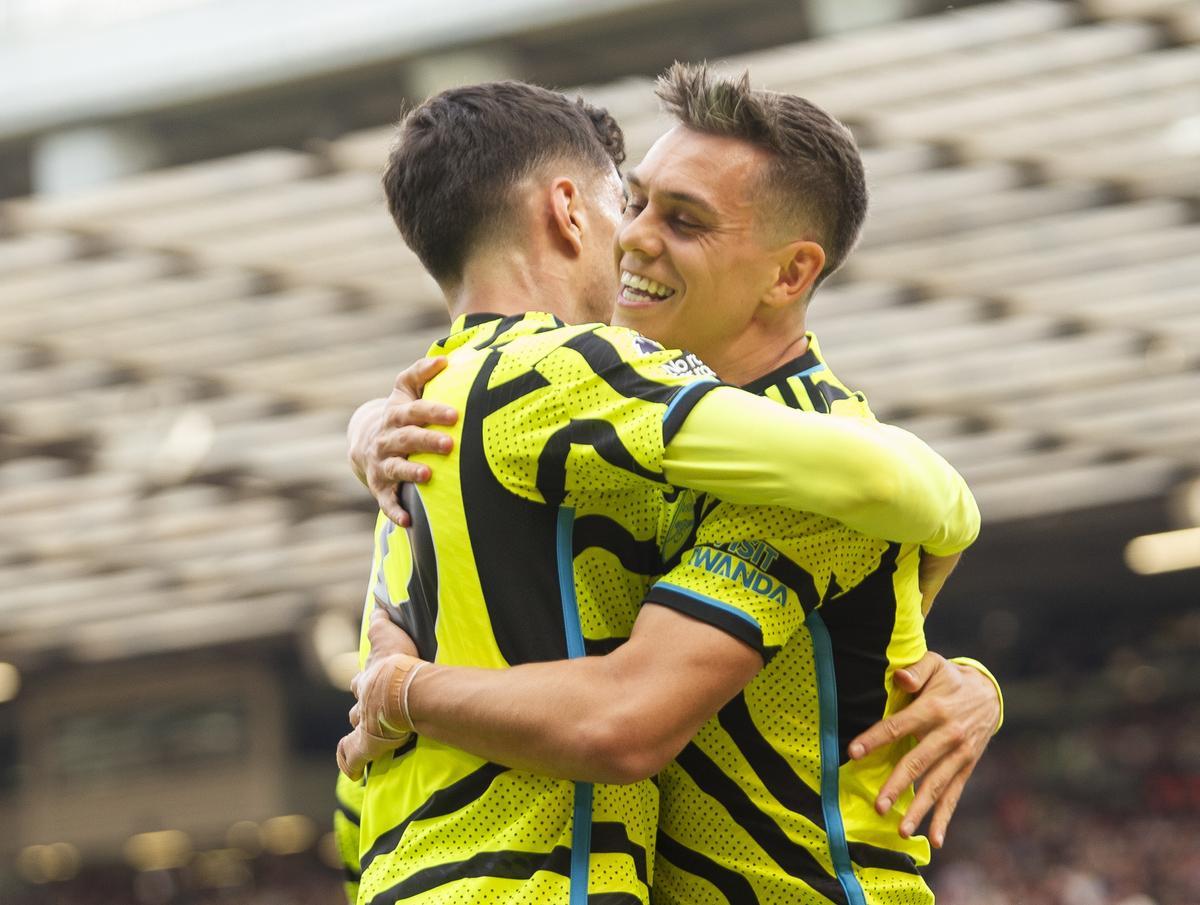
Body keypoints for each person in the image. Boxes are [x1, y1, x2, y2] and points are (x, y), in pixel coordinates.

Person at [338, 71, 994, 905]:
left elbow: (626, 717)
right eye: (637, 201)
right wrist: (366, 428)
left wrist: (401, 691)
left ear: (789, 275)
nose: (633, 239)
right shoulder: (601, 430)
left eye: (682, 221)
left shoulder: (817, 474)